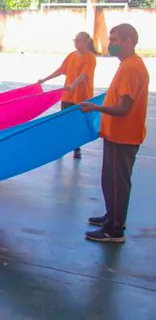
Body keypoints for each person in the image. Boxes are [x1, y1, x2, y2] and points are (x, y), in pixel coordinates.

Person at [80, 24, 149, 243]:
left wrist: (96, 108)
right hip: (117, 135)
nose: (111, 44)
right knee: (110, 180)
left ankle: (115, 229)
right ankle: (113, 215)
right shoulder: (129, 65)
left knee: (117, 182)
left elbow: (124, 108)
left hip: (124, 137)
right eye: (111, 39)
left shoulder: (131, 68)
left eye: (116, 39)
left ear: (129, 41)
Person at [38, 31, 97, 158]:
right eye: (74, 40)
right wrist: (45, 79)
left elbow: (84, 75)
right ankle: (61, 147)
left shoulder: (90, 57)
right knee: (64, 121)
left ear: (86, 41)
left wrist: (73, 85)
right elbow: (61, 70)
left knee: (77, 123)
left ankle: (77, 149)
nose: (76, 43)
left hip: (82, 97)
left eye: (78, 40)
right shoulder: (71, 56)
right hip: (68, 96)